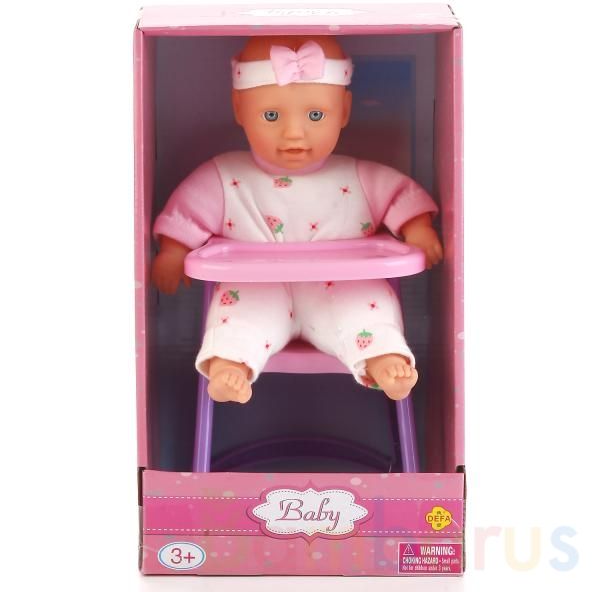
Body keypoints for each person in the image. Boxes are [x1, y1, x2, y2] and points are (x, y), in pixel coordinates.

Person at [152, 36, 443, 404]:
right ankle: (231, 367)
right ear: (239, 108)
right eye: (271, 116)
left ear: (344, 111)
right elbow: (189, 210)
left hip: (342, 286)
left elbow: (399, 195)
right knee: (238, 317)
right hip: (257, 288)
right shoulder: (225, 178)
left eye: (315, 116)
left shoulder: (359, 177)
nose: (293, 133)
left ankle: (384, 359)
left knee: (366, 312)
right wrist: (174, 251)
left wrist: (417, 228)